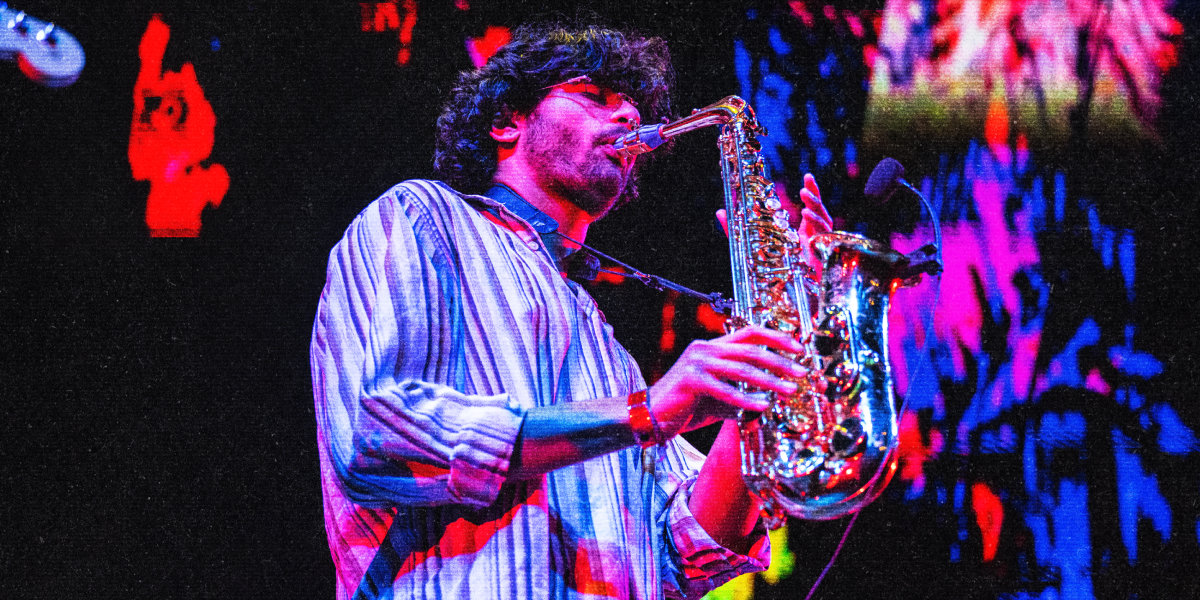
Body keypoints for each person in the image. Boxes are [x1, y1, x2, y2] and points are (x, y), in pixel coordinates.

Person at [310, 23, 833, 600]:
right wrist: (646, 412)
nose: (627, 118)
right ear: (508, 121)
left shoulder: (608, 352)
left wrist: (779, 336)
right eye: (596, 96)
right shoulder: (422, 218)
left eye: (632, 107)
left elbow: (686, 553)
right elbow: (375, 434)